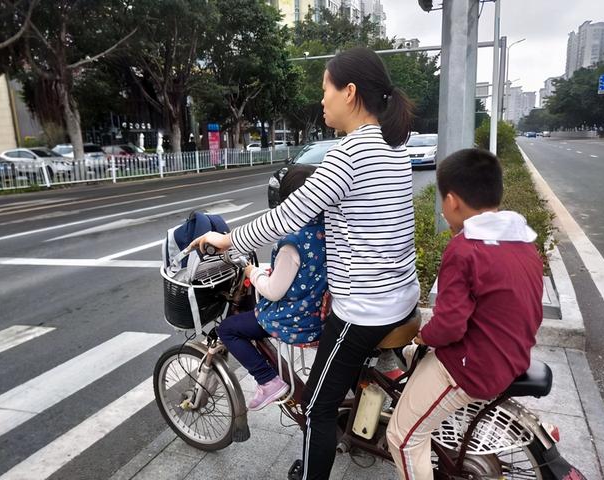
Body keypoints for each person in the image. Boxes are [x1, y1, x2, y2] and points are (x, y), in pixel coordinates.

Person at [192, 46, 418, 479]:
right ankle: (355, 424)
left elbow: (287, 217)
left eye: (325, 90)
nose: (322, 100)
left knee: (316, 404)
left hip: (366, 309)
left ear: (349, 93)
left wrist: (226, 240)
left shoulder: (349, 153)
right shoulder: (394, 148)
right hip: (401, 296)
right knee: (336, 379)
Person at [386, 148, 544, 480]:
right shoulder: (522, 240)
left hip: (473, 368)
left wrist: (423, 334)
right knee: (414, 359)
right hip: (512, 354)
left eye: (443, 200)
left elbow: (450, 326)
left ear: (453, 202)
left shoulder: (465, 247)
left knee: (401, 438)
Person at [217, 165, 327, 411]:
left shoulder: (293, 243)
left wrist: (252, 272)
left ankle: (268, 381)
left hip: (296, 319)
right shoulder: (328, 228)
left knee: (228, 329)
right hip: (320, 313)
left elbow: (274, 292)